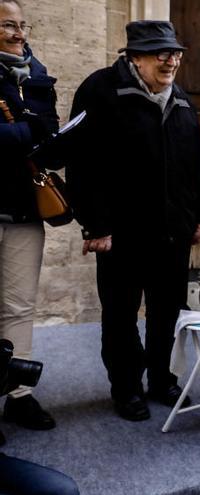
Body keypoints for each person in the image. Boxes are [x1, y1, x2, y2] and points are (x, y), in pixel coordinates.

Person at [66, 20, 200, 421]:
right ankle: (126, 387)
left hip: (172, 230)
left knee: (167, 311)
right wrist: (95, 225)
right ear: (135, 57)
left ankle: (161, 379)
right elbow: (81, 164)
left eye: (175, 53)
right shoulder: (100, 90)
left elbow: (195, 163)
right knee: (121, 313)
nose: (171, 60)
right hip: (121, 231)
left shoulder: (181, 98)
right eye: (161, 53)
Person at [0, 0, 58, 442]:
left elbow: (51, 136)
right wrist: (27, 132)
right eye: (8, 26)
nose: (18, 34)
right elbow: (31, 135)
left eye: (22, 25)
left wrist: (39, 136)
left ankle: (18, 394)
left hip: (22, 209)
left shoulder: (36, 77)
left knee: (19, 306)